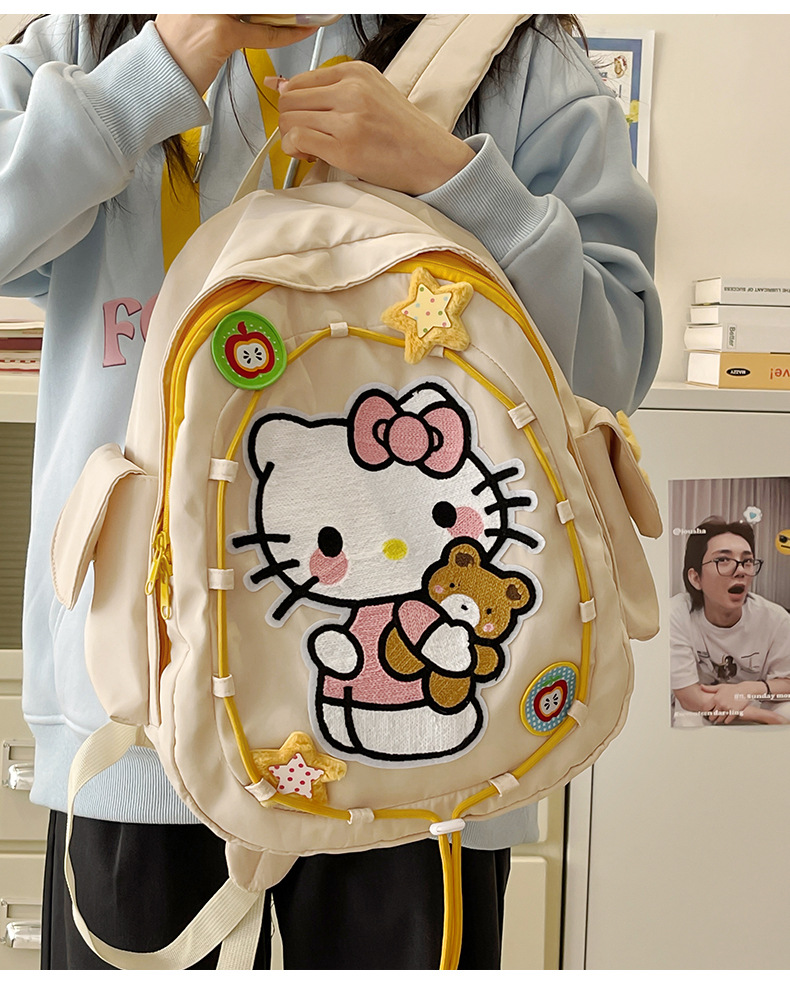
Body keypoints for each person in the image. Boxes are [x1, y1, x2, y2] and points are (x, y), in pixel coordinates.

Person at [0, 14, 661, 969]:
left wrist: (452, 177)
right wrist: (158, 69)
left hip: (437, 740)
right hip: (141, 704)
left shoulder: (510, 52)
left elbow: (613, 359)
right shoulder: (89, 35)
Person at [671, 517, 790, 727]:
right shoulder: (676, 614)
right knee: (686, 722)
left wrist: (746, 690)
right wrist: (766, 717)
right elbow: (689, 697)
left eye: (747, 561)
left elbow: (787, 683)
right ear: (696, 578)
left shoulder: (776, 619)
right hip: (701, 706)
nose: (741, 570)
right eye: (723, 560)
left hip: (752, 699)